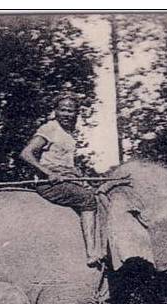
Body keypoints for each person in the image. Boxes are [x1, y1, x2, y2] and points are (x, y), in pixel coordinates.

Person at [20, 93, 105, 267]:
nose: (66, 114)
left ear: (76, 113)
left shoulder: (68, 134)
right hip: (49, 183)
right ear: (55, 111)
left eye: (71, 111)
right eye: (63, 110)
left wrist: (79, 177)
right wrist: (48, 173)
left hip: (66, 181)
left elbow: (65, 164)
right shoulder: (50, 129)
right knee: (88, 200)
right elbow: (26, 154)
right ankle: (91, 252)